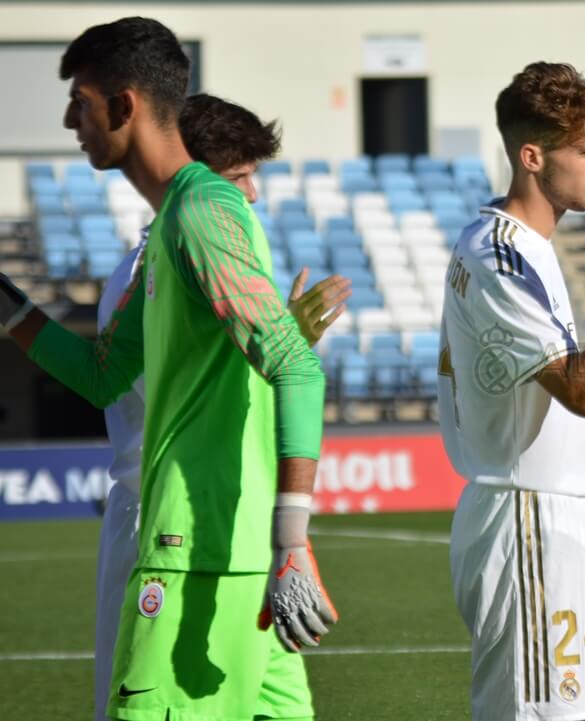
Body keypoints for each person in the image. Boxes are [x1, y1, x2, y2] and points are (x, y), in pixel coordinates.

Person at [0, 17, 337, 721]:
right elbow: (101, 374)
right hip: (227, 551)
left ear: (124, 105)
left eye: (80, 102)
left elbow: (297, 368)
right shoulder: (173, 228)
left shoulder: (200, 212)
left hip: (194, 553)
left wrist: (292, 541)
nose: (68, 121)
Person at [83, 91, 350, 721]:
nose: (251, 195)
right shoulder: (150, 264)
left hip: (230, 522)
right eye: (239, 177)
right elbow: (169, 387)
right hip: (164, 517)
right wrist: (279, 345)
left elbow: (229, 376)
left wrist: (277, 341)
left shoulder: (205, 243)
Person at [438, 61, 585, 720]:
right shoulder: (499, 255)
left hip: (544, 511)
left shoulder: (519, 246)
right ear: (532, 157)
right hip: (527, 513)